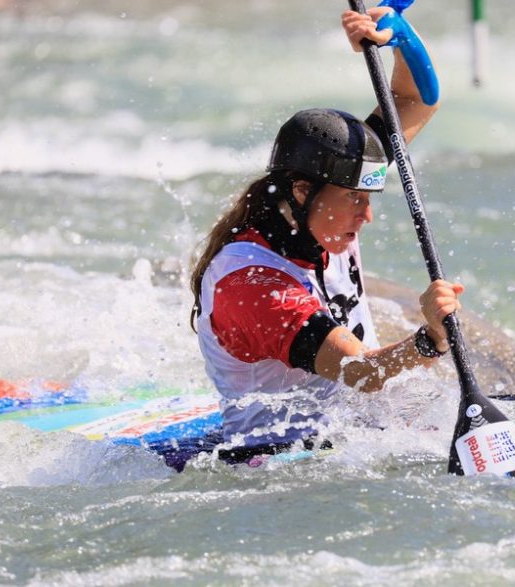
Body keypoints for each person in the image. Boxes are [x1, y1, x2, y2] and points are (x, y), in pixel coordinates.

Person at [189, 7, 463, 464]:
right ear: (301, 191)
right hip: (275, 462)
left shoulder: (326, 199)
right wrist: (429, 339)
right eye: (357, 200)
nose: (368, 215)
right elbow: (361, 373)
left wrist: (395, 35)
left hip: (353, 433)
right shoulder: (252, 286)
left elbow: (417, 101)